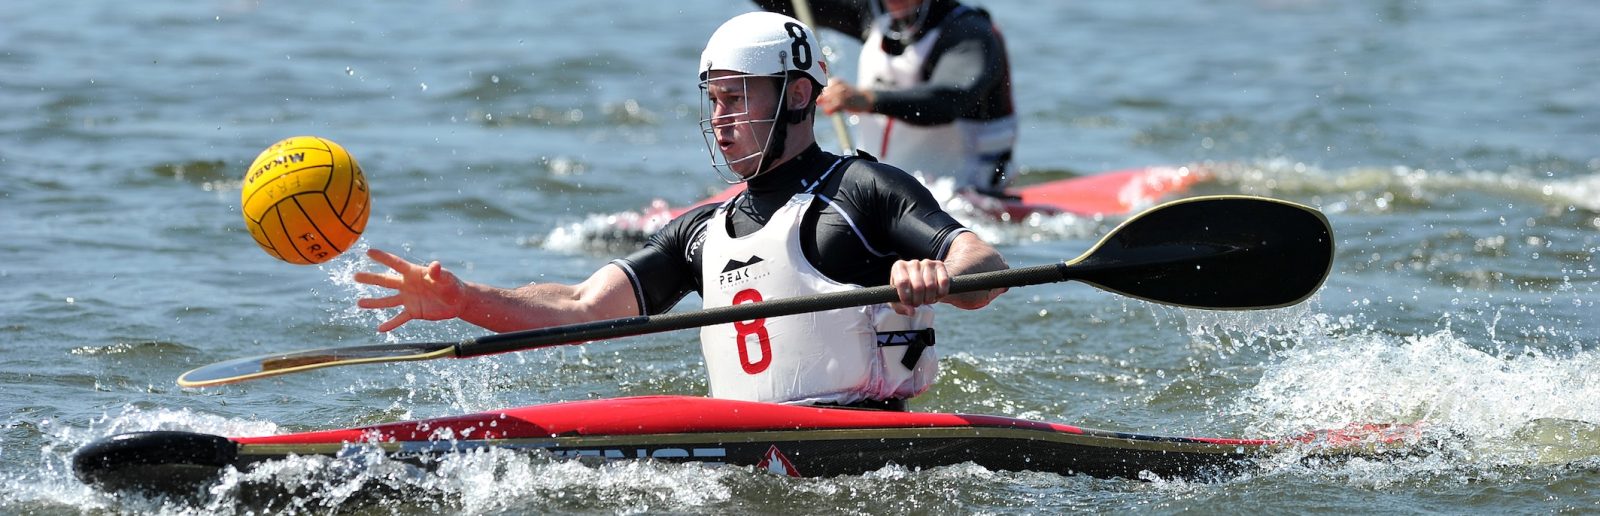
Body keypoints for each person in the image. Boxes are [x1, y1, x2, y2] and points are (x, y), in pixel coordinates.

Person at [354, 12, 1008, 411]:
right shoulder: (703, 232)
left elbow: (986, 263)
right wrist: (464, 298)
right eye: (715, 101)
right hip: (753, 448)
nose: (721, 121)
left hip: (875, 439)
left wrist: (941, 277)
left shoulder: (864, 188)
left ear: (799, 95)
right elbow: (582, 310)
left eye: (738, 99)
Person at [754, 0, 1018, 197]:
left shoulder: (969, 31)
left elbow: (948, 100)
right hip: (888, 188)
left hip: (968, 193)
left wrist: (867, 99)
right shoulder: (874, 12)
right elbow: (789, 4)